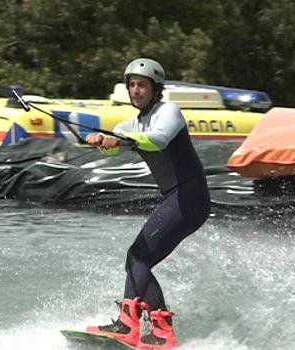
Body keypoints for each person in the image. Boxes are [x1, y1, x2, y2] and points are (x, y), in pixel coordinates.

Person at [84, 58, 211, 350]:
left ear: (156, 89)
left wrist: (122, 140)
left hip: (190, 195)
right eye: (131, 85)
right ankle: (161, 332)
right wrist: (101, 140)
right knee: (139, 259)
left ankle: (127, 325)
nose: (136, 90)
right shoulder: (132, 123)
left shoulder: (169, 112)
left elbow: (159, 139)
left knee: (138, 256)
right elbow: (113, 148)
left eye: (142, 85)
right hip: (177, 198)